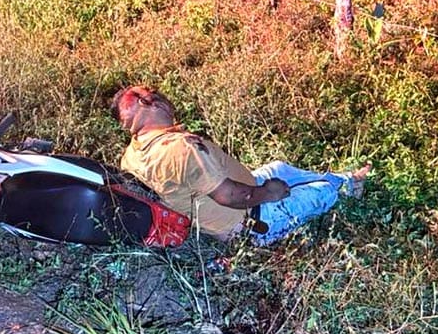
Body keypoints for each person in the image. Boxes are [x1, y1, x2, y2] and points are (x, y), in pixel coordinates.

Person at [110, 85, 372, 246]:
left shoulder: (131, 156)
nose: (160, 94)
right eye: (152, 92)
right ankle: (348, 185)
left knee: (278, 168)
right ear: (146, 103)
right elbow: (229, 195)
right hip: (252, 220)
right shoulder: (179, 148)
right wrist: (269, 194)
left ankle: (343, 177)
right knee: (322, 192)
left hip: (225, 217)